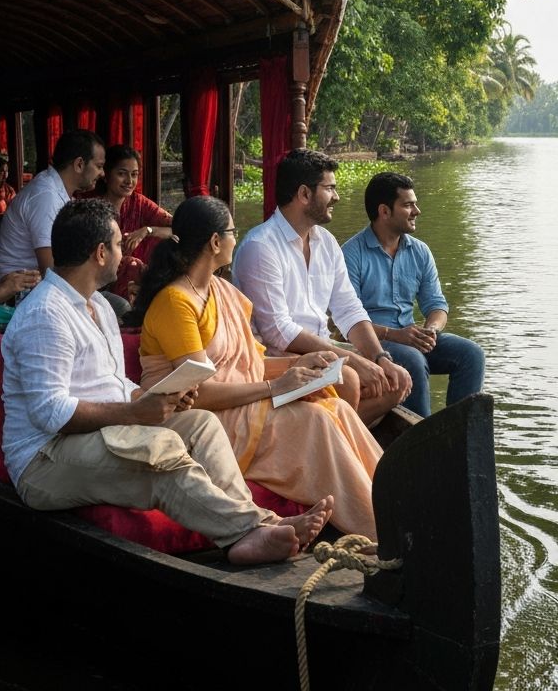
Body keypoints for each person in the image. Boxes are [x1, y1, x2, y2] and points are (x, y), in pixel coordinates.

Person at [0, 199, 333, 566]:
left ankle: (257, 525)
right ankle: (247, 531)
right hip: (45, 459)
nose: (123, 253)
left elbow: (113, 384)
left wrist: (157, 398)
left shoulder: (99, 307)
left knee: (201, 424)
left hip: (99, 432)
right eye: (118, 244)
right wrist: (136, 413)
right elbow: (51, 413)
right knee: (159, 449)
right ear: (100, 253)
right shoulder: (46, 314)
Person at [129, 195, 383, 539]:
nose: (236, 239)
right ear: (215, 242)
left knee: (335, 407)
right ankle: (377, 530)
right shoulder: (176, 302)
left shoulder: (221, 290)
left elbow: (248, 363)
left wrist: (298, 364)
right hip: (203, 419)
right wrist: (276, 387)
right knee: (315, 420)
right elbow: (198, 392)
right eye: (233, 232)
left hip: (240, 405)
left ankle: (393, 501)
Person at [231, 149, 412, 429]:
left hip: (321, 349)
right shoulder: (261, 247)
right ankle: (334, 434)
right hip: (278, 357)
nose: (336, 197)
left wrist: (380, 358)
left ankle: (332, 430)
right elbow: (278, 331)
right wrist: (352, 360)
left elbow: (349, 309)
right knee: (350, 378)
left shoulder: (326, 242)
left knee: (396, 381)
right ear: (304, 194)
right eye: (329, 188)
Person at [342, 171, 484, 417]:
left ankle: (460, 431)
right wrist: (395, 335)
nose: (417, 211)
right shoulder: (351, 254)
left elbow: (436, 305)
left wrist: (431, 330)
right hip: (372, 342)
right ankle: (422, 434)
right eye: (408, 205)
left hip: (410, 336)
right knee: (413, 360)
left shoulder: (420, 251)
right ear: (384, 211)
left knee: (471, 354)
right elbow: (345, 321)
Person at [0, 129, 105, 281]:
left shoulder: (57, 190)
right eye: (99, 166)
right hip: (13, 288)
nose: (102, 173)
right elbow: (51, 272)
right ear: (79, 165)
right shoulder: (46, 197)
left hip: (35, 283)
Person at [96, 144, 172, 301]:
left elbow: (179, 228)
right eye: (121, 174)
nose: (129, 181)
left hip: (134, 281)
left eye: (134, 174)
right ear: (106, 174)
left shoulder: (139, 203)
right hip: (97, 280)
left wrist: (148, 230)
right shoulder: (91, 205)